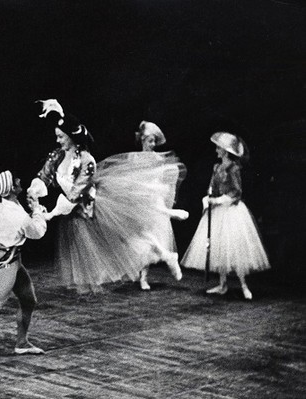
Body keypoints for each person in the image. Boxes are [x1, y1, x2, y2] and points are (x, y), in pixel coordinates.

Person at [27, 100, 187, 294]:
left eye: (61, 137)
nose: (58, 141)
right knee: (127, 240)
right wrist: (35, 189)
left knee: (131, 233)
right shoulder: (58, 156)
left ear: (71, 137)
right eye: (57, 136)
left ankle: (167, 254)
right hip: (79, 212)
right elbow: (44, 175)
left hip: (97, 205)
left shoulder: (86, 160)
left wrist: (50, 214)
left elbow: (75, 194)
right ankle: (165, 254)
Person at [0, 171, 47, 376]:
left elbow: (28, 223)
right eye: (16, 181)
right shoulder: (14, 213)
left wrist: (35, 210)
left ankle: (21, 343)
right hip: (7, 263)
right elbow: (37, 232)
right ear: (11, 190)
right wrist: (37, 209)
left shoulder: (4, 203)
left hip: (13, 260)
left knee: (29, 300)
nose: (19, 180)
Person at [181, 132, 271, 300]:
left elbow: (237, 192)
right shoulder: (216, 167)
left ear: (225, 150)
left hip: (231, 210)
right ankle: (222, 285)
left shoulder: (234, 168)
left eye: (218, 148)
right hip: (217, 211)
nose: (216, 150)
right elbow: (212, 188)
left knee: (235, 249)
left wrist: (219, 200)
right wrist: (208, 198)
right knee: (219, 248)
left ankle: (243, 285)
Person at [134, 121, 184, 290]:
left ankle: (145, 277)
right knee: (142, 236)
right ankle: (163, 260)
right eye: (150, 141)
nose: (153, 144)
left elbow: (163, 180)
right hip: (141, 200)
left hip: (154, 200)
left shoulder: (157, 159)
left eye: (154, 141)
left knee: (150, 236)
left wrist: (165, 193)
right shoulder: (135, 158)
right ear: (142, 140)